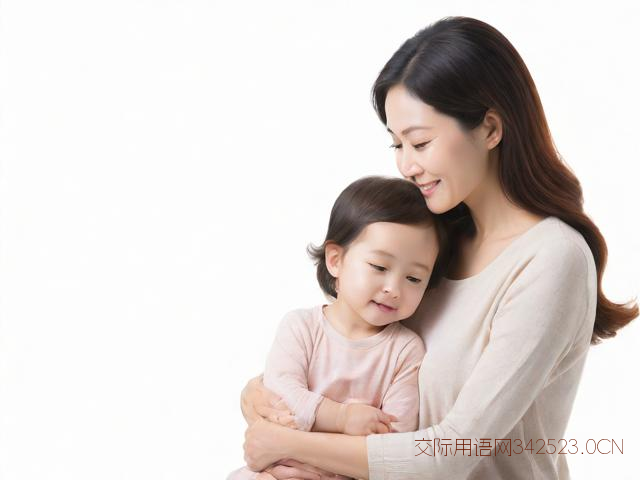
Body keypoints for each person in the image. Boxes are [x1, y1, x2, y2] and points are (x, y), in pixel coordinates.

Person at [238, 16, 638, 479]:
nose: (407, 166)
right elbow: (344, 351)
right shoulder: (429, 242)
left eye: (420, 142)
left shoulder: (551, 259)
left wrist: (289, 442)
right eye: (397, 145)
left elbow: (453, 452)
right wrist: (259, 395)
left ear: (490, 129)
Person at [227, 176, 448, 480]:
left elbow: (393, 440)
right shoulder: (302, 327)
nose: (394, 288)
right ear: (335, 260)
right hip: (277, 471)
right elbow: (279, 395)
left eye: (413, 278)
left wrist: (308, 435)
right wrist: (343, 418)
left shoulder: (406, 350)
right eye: (379, 267)